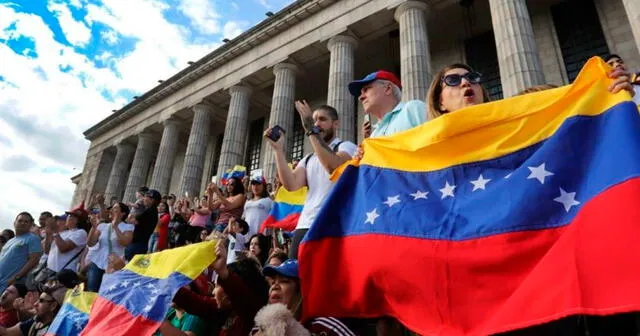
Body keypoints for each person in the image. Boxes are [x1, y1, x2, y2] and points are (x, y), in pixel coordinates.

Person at [264, 102, 358, 259]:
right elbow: (291, 185)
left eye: (322, 119)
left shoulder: (346, 146)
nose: (316, 124)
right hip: (305, 225)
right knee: (296, 277)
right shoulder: (308, 158)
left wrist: (310, 129)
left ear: (335, 124)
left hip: (334, 223)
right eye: (313, 120)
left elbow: (333, 166)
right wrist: (278, 151)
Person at [172, 243, 269, 336]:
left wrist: (223, 272)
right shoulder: (224, 310)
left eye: (217, 286)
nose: (213, 291)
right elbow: (196, 302)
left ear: (230, 292)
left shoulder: (251, 315)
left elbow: (242, 297)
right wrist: (167, 283)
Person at [348, 70, 426, 138]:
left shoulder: (413, 109)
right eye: (360, 93)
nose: (360, 97)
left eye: (366, 89)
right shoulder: (374, 135)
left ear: (388, 89)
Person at [86, 202, 134, 292]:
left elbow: (125, 242)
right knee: (92, 290)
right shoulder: (102, 226)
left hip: (114, 264)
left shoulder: (128, 227)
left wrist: (115, 226)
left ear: (123, 213)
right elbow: (90, 243)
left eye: (115, 208)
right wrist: (93, 227)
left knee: (107, 292)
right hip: (97, 261)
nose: (111, 210)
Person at [0, 283, 66, 336]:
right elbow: (6, 333)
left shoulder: (55, 330)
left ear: (53, 306)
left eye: (41, 301)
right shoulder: (35, 321)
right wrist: (21, 310)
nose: (35, 304)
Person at [0, 213, 42, 295]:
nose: (22, 223)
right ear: (14, 223)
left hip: (7, 284)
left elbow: (34, 260)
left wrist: (17, 277)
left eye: (26, 222)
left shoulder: (33, 239)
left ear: (30, 225)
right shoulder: (11, 240)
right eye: (20, 221)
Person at [44, 204, 89, 275]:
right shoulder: (64, 232)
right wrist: (48, 234)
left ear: (78, 221)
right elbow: (47, 251)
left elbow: (63, 248)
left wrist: (55, 231)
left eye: (71, 216)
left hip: (63, 273)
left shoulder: (81, 233)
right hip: (49, 270)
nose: (68, 218)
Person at [125, 189, 160, 261]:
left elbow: (132, 221)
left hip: (137, 244)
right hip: (141, 244)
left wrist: (129, 218)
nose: (144, 199)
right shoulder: (152, 211)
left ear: (152, 200)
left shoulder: (149, 212)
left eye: (146, 197)